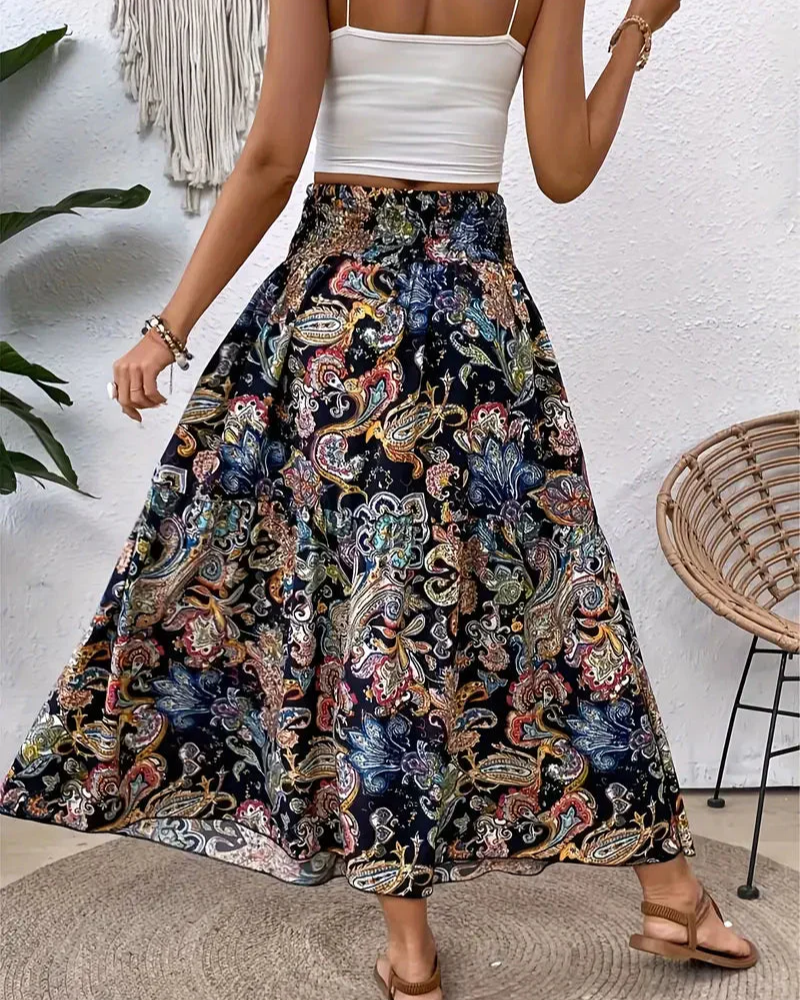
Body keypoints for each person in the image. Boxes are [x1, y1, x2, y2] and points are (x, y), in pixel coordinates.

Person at [0, 2, 757, 997]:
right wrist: (635, 34)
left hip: (340, 321)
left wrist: (168, 328)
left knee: (368, 607)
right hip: (474, 327)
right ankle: (669, 892)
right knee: (556, 590)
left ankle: (409, 950)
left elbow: (273, 159)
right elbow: (563, 168)